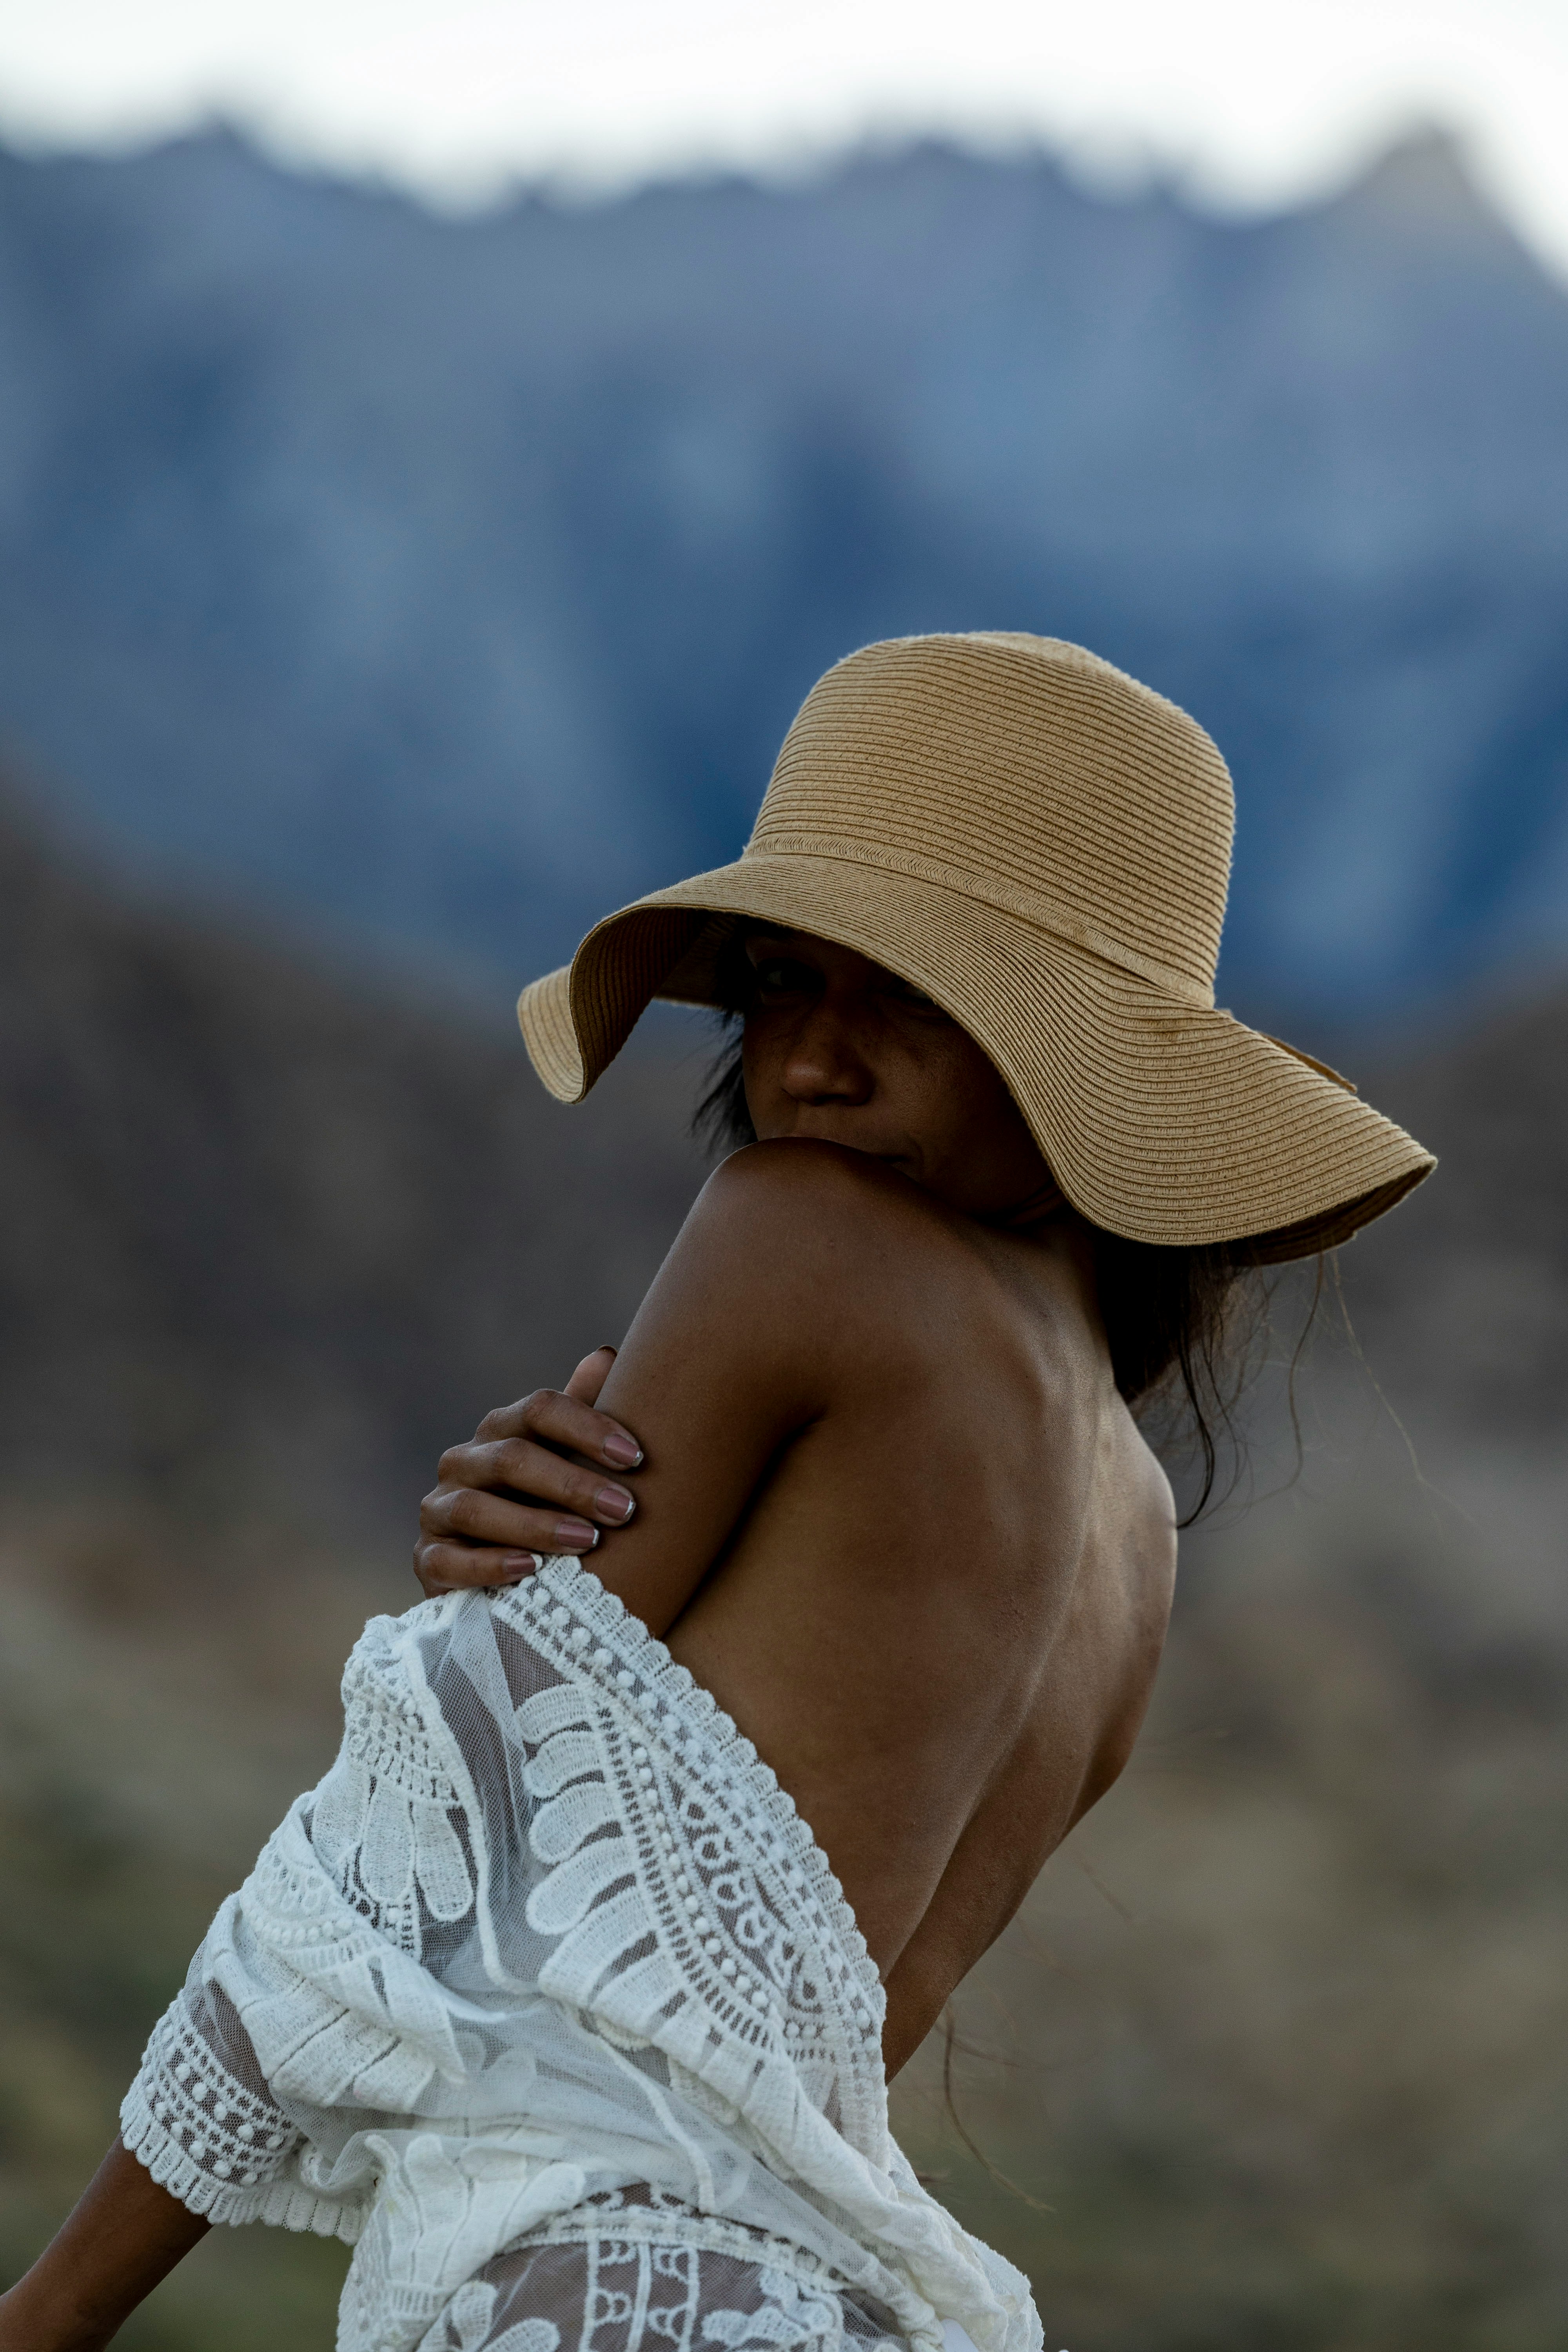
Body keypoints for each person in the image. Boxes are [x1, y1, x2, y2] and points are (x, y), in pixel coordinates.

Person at [0, 633, 1432, 2352]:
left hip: (606, 2294)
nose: (811, 1063)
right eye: (776, 982)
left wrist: (49, 2315)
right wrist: (507, 1601)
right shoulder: (1136, 1537)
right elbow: (774, 2052)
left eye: (914, 997)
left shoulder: (801, 1235)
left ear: (1091, 1063)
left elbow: (395, 1861)